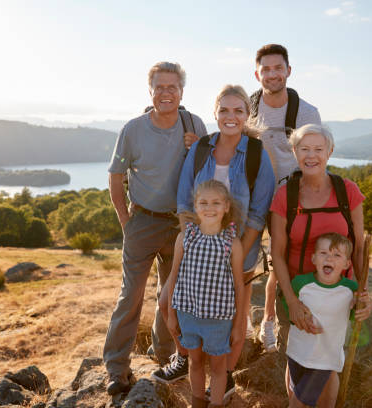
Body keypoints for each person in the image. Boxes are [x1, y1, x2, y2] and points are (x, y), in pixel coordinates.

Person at [152, 85, 275, 401]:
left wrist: (235, 255)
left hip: (235, 252)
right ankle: (186, 357)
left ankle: (225, 378)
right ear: (215, 113)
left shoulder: (257, 154)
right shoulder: (201, 149)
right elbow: (183, 201)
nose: (230, 117)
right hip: (197, 249)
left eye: (238, 111)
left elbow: (258, 214)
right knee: (169, 303)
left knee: (233, 320)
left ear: (247, 115)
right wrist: (194, 245)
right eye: (224, 110)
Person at [103, 61, 208, 395]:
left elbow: (209, 173)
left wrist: (198, 150)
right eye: (160, 87)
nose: (166, 93)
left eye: (172, 87)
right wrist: (125, 221)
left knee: (172, 296)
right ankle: (117, 370)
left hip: (182, 223)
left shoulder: (195, 125)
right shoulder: (133, 129)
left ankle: (165, 358)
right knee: (131, 296)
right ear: (150, 91)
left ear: (181, 91)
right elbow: (115, 178)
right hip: (143, 221)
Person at [269, 124, 372, 357]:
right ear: (295, 152)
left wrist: (362, 293)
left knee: (330, 362)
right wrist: (292, 302)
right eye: (304, 149)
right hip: (297, 292)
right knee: (295, 363)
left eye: (318, 149)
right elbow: (276, 253)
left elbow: (358, 248)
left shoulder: (348, 191)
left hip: (338, 295)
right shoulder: (285, 195)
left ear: (330, 151)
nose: (311, 156)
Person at [248, 44, 323, 352]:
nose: (272, 74)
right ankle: (251, 325)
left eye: (278, 67)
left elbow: (315, 155)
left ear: (289, 71)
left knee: (283, 263)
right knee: (249, 264)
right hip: (255, 197)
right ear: (257, 74)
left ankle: (271, 324)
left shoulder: (307, 112)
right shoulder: (248, 108)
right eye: (266, 69)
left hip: (293, 198)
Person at [165, 180, 246, 408]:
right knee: (195, 362)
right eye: (203, 202)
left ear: (226, 206)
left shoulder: (231, 242)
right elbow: (174, 276)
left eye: (216, 202)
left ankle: (216, 404)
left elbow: (239, 285)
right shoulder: (186, 237)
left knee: (219, 368)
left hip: (219, 320)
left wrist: (238, 324)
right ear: (195, 205)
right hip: (188, 314)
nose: (209, 208)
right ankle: (197, 403)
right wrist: (172, 314)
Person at [285, 232, 371, 408]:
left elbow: (357, 315)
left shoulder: (351, 289)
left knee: (298, 403)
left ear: (347, 264)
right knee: (295, 394)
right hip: (297, 353)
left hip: (324, 359)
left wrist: (362, 307)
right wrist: (301, 319)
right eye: (323, 253)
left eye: (337, 255)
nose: (329, 258)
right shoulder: (300, 284)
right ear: (314, 258)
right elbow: (289, 309)